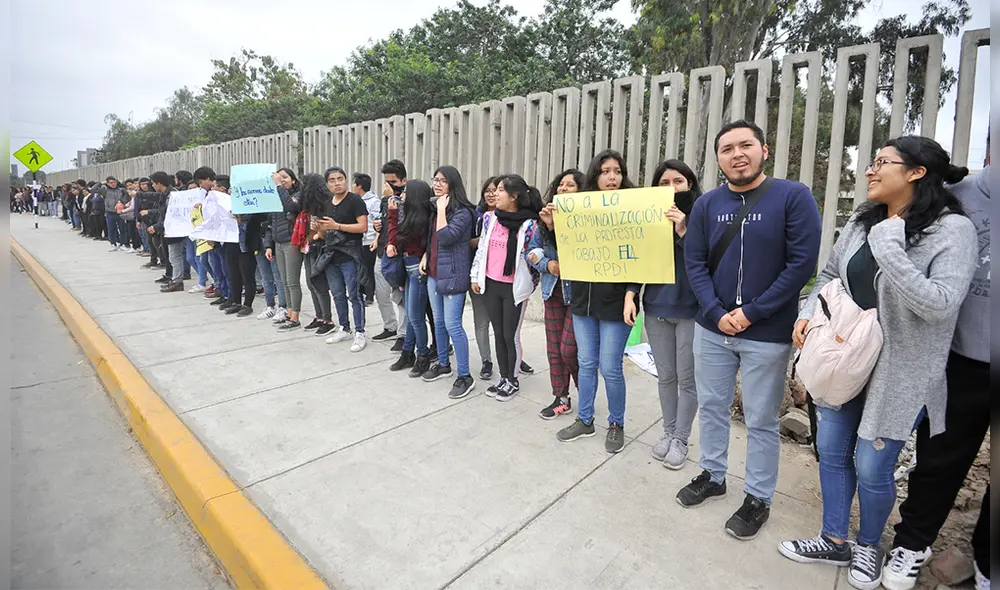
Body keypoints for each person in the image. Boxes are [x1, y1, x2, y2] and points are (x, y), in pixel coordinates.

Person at [777, 136, 978, 589]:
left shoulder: (952, 231)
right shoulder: (862, 220)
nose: (870, 170)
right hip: (841, 357)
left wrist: (891, 247)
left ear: (916, 172)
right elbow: (829, 275)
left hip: (899, 375)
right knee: (830, 452)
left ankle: (868, 546)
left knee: (872, 466)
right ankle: (833, 537)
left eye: (882, 162)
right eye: (871, 162)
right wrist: (808, 315)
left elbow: (941, 305)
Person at [679, 120, 822, 539]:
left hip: (766, 332)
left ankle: (758, 497)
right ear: (719, 158)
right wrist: (715, 309)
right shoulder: (706, 205)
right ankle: (713, 474)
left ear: (764, 149)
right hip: (712, 327)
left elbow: (801, 265)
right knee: (712, 405)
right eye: (727, 148)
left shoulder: (793, 197)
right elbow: (695, 264)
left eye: (745, 145)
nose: (737, 154)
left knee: (760, 419)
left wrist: (752, 313)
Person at [878, 142, 990, 590]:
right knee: (938, 461)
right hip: (962, 360)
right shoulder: (958, 195)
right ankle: (913, 541)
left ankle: (986, 562)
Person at [621, 159, 703, 470]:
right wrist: (631, 294)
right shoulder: (647, 217)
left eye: (678, 182)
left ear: (689, 185)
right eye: (664, 183)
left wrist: (683, 229)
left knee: (687, 378)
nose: (671, 188)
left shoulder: (702, 215)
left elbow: (705, 260)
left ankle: (681, 438)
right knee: (665, 375)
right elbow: (638, 257)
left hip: (690, 309)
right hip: (656, 307)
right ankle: (669, 433)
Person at [555, 150, 636, 454]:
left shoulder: (634, 207)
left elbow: (643, 257)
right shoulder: (580, 208)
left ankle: (616, 424)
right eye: (605, 171)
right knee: (586, 363)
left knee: (610, 367)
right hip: (582, 301)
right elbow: (564, 251)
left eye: (617, 171)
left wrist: (632, 293)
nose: (612, 177)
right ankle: (585, 419)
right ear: (595, 175)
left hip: (616, 302)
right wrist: (553, 225)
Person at [470, 174, 540, 401]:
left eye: (500, 190)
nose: (495, 194)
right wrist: (475, 276)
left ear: (514, 196)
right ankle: (504, 376)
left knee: (510, 335)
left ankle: (513, 379)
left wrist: (529, 285)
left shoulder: (530, 224)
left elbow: (536, 257)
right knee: (498, 334)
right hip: (491, 284)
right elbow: (482, 250)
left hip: (513, 289)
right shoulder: (490, 219)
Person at [528, 169, 583, 419]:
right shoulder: (545, 220)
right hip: (553, 291)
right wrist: (546, 264)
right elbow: (532, 250)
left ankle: (586, 392)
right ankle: (561, 397)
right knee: (554, 349)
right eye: (561, 184)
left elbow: (575, 251)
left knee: (569, 349)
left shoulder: (585, 219)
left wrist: (556, 228)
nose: (563, 188)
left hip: (579, 295)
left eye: (570, 185)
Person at [421, 165, 478, 399]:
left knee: (453, 324)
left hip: (454, 275)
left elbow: (445, 237)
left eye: (443, 181)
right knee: (439, 323)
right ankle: (443, 363)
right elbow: (432, 239)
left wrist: (442, 210)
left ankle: (465, 375)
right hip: (434, 273)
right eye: (435, 179)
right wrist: (426, 255)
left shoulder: (463, 212)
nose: (437, 184)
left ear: (453, 184)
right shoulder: (437, 209)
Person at [312, 167, 370, 352]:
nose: (337, 183)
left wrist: (337, 225)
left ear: (346, 180)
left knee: (354, 295)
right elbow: (323, 233)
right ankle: (344, 327)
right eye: (332, 180)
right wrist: (318, 228)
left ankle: (360, 332)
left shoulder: (355, 201)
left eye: (340, 179)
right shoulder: (327, 203)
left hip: (350, 254)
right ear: (327, 184)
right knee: (337, 294)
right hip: (331, 255)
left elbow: (363, 227)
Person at [388, 179, 434, 374]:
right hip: (407, 268)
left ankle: (421, 356)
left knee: (415, 316)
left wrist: (391, 216)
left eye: (406, 192)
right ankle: (408, 353)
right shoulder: (410, 215)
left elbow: (397, 238)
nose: (402, 195)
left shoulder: (420, 220)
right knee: (411, 314)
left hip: (417, 270)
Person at [266, 168, 303, 329]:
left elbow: (291, 207)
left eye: (285, 178)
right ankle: (288, 313)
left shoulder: (298, 195)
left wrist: (279, 187)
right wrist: (269, 245)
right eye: (279, 178)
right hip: (278, 243)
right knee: (284, 282)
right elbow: (270, 223)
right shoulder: (275, 197)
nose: (281, 180)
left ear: (293, 180)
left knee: (292, 281)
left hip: (291, 242)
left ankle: (295, 318)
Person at [354, 172, 380, 306]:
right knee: (360, 268)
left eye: (354, 184)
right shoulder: (357, 200)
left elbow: (378, 221)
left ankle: (370, 295)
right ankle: (361, 292)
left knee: (369, 269)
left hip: (370, 241)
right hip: (360, 240)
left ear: (359, 186)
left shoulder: (374, 202)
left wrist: (376, 239)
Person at [102, 176, 129, 252]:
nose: (113, 184)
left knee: (122, 229)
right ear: (107, 183)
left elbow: (127, 196)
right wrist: (102, 183)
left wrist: (121, 202)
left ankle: (122, 244)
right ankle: (113, 244)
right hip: (110, 212)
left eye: (114, 182)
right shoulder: (105, 191)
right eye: (111, 183)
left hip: (120, 212)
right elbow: (94, 189)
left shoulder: (121, 190)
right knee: (111, 229)